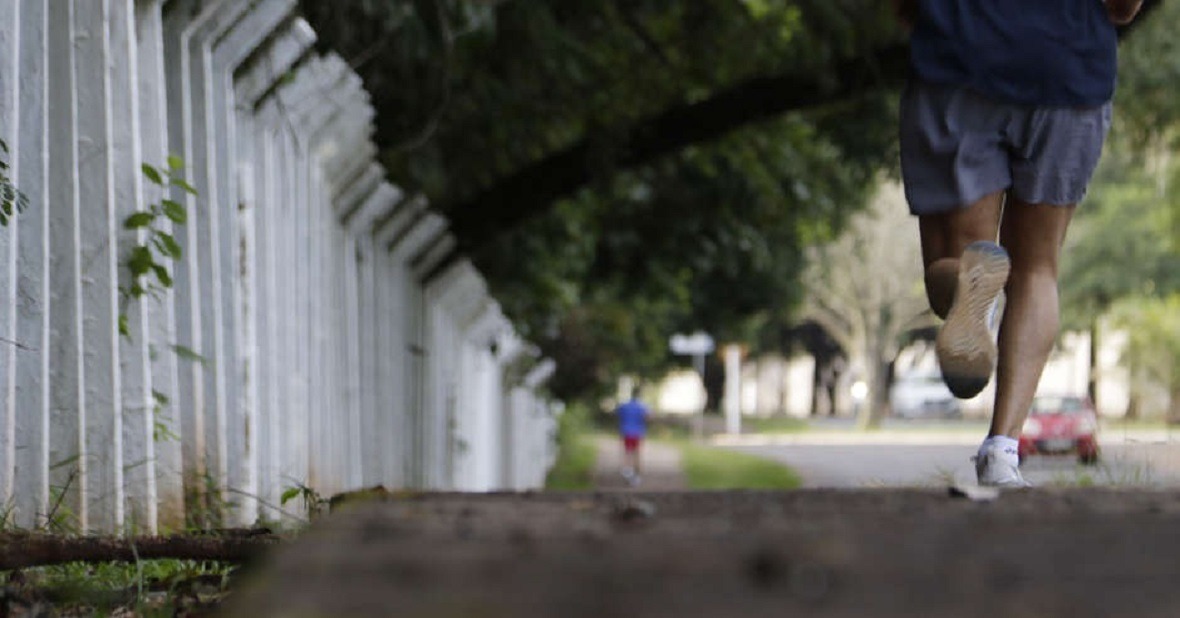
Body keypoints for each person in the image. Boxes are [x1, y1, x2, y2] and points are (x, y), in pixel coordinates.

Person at [893, 0, 1144, 487]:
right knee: (1038, 269)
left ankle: (971, 291)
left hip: (962, 58)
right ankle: (1001, 451)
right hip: (1070, 71)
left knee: (955, 263)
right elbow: (1124, 5)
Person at [615, 389, 650, 486]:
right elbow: (647, 416)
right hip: (638, 433)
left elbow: (618, 414)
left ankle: (628, 472)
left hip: (626, 432)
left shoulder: (624, 405)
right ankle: (636, 476)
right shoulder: (642, 406)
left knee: (627, 453)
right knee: (637, 454)